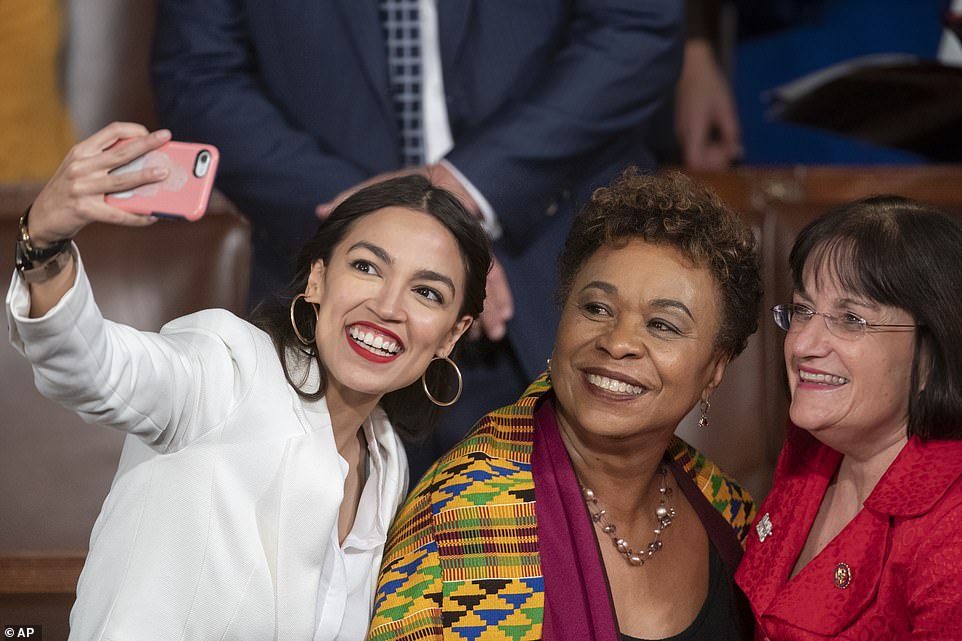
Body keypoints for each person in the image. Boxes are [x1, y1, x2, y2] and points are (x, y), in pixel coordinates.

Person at [149, 0, 684, 479]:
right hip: (329, 317)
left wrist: (466, 189)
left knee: (561, 577)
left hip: (546, 276)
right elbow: (198, 74)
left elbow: (636, 29)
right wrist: (379, 222)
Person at [5, 122, 491, 641]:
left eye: (428, 293)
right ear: (318, 280)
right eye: (367, 267)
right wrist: (44, 245)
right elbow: (92, 368)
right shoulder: (227, 365)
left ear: (452, 335)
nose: (388, 305)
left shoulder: (386, 458)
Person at [367, 169, 762, 641]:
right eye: (596, 309)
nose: (617, 343)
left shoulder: (730, 511)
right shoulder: (464, 520)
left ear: (715, 371)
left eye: (662, 325)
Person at [735, 196, 962, 639]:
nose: (802, 345)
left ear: (930, 356)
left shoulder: (951, 530)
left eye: (851, 320)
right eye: (802, 311)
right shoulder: (814, 451)